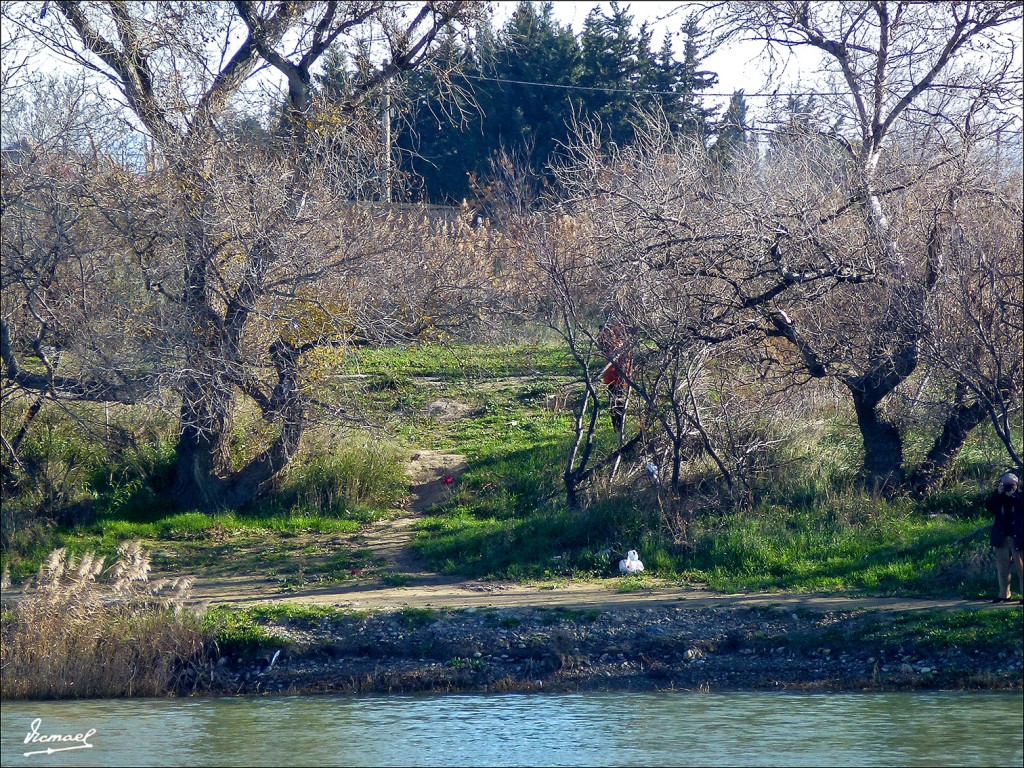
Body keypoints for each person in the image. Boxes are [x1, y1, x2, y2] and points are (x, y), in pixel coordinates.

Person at [986, 472, 1024, 604]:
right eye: (1005, 484)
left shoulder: (1020, 496)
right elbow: (989, 507)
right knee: (1002, 568)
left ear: (1016, 484)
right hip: (1002, 537)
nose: (1008, 486)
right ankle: (1004, 595)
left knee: (1022, 567)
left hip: (1018, 537)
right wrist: (998, 493)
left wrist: (1013, 496)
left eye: (1011, 484)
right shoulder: (999, 497)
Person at [597, 318, 633, 432]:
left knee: (620, 403)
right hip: (613, 377)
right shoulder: (611, 343)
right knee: (614, 403)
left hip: (622, 377)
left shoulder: (624, 342)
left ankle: (620, 428)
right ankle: (617, 429)